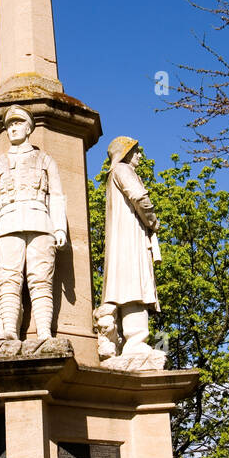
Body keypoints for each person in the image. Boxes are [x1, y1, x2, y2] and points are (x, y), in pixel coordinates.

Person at [0, 106, 67, 341]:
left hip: (41, 222)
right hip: (8, 224)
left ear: (29, 128)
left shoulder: (45, 160)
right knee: (9, 279)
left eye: (18, 124)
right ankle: (9, 329)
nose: (13, 128)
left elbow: (57, 196)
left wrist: (60, 227)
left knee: (41, 279)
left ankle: (44, 332)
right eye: (9, 125)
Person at [101, 136, 161, 355]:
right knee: (133, 286)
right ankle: (136, 342)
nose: (140, 155)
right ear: (126, 153)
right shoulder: (123, 170)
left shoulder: (114, 173)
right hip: (130, 238)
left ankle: (133, 341)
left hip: (126, 237)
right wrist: (153, 221)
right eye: (136, 151)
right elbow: (139, 197)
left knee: (130, 286)